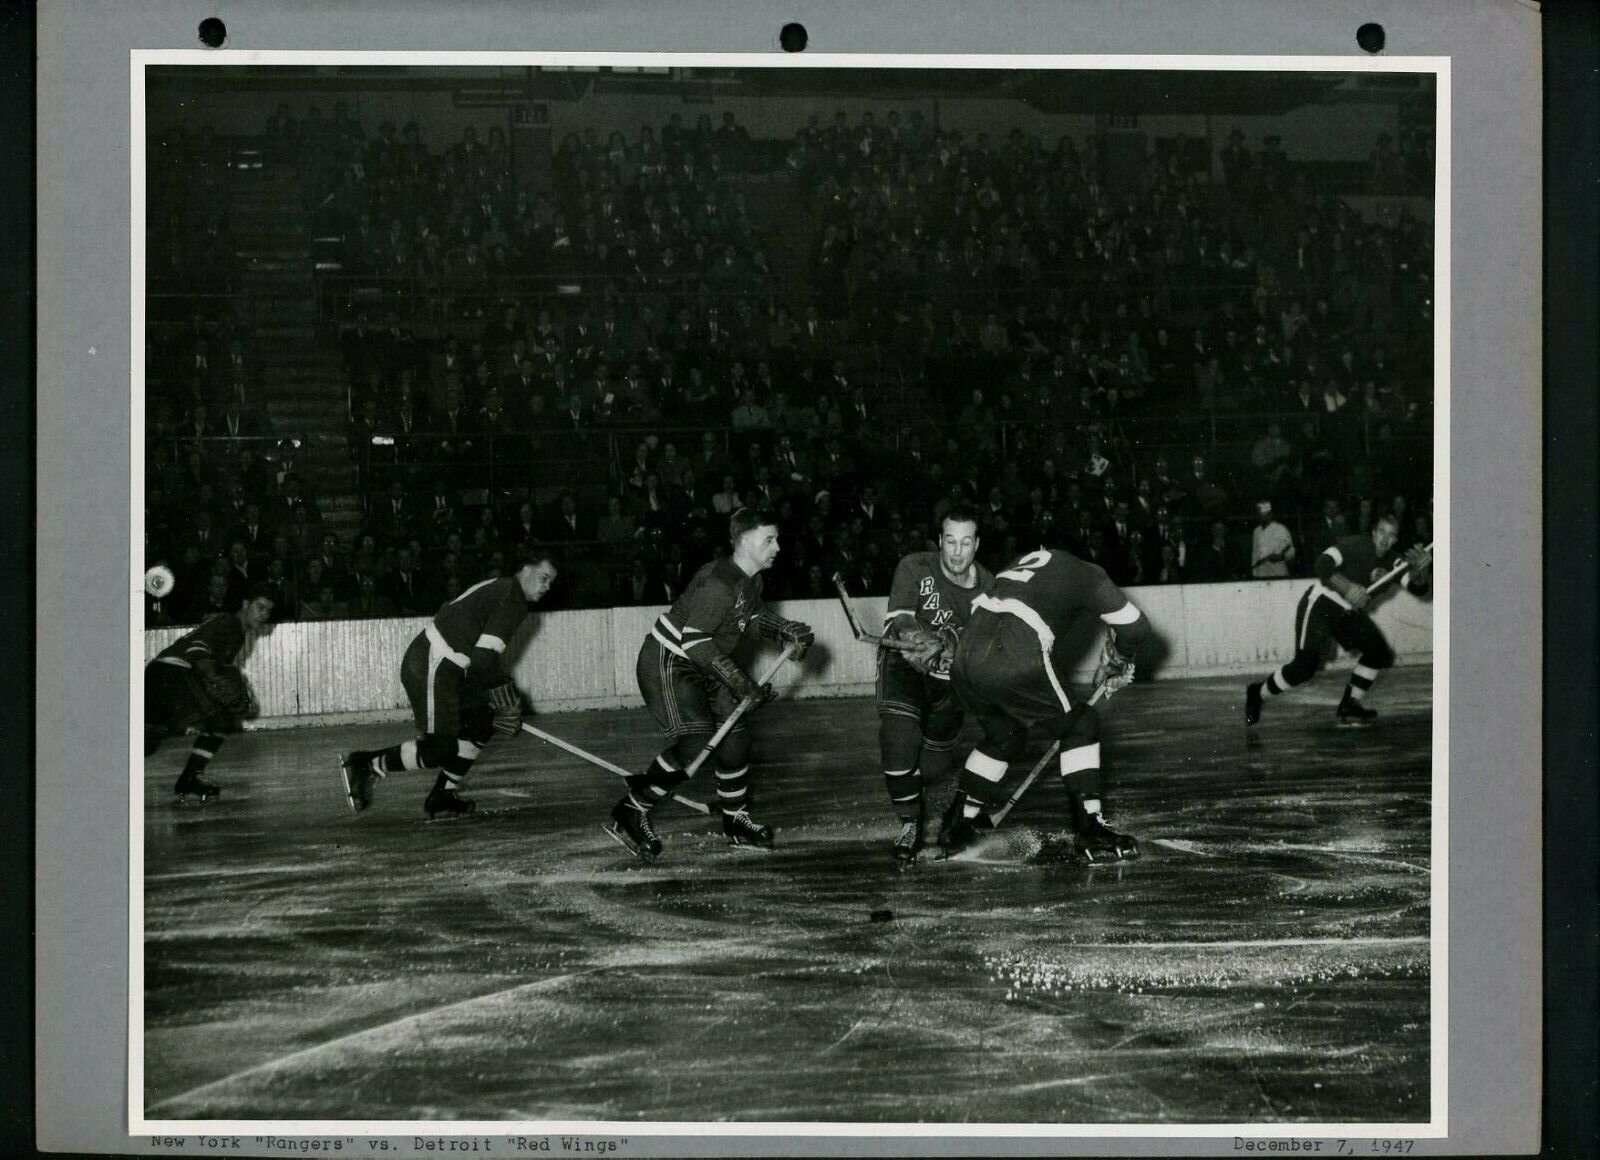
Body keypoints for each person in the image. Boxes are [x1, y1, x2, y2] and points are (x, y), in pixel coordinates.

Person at [607, 507, 814, 862]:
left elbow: (750, 618)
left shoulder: (751, 579)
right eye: (770, 539)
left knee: (736, 739)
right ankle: (631, 809)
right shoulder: (718, 582)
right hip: (671, 661)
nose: (778, 546)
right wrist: (740, 682)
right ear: (745, 541)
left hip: (707, 661)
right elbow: (695, 641)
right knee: (697, 742)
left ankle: (735, 821)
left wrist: (781, 629)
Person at [944, 546, 1154, 864]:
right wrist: (1120, 657)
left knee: (1006, 736)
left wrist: (1111, 658)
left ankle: (958, 822)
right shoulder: (1091, 574)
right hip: (1015, 650)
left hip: (965, 656)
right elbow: (1136, 627)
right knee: (1080, 724)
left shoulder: (1029, 562)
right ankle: (1090, 826)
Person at [339, 554, 558, 818]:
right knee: (439, 749)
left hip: (447, 666)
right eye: (543, 578)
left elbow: (480, 661)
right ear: (525, 568)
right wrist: (507, 694)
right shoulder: (511, 599)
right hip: (435, 663)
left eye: (550, 582)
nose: (546, 587)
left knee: (480, 723)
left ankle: (442, 795)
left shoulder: (504, 589)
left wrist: (500, 695)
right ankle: (365, 764)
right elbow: (483, 661)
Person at [875, 507, 993, 867]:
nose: (957, 552)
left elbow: (984, 645)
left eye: (966, 542)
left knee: (934, 767)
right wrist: (917, 637)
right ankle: (911, 823)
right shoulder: (914, 566)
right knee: (899, 738)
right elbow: (900, 618)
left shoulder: (989, 587)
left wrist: (952, 641)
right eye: (950, 541)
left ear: (976, 545)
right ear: (940, 541)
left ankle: (914, 795)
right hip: (904, 665)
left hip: (949, 682)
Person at [1244, 515, 1431, 728]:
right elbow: (1322, 564)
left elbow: (1419, 588)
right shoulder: (1355, 545)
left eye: (1391, 535)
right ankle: (1257, 693)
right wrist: (1347, 587)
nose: (1385, 539)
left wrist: (1422, 571)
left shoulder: (1394, 562)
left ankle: (1350, 705)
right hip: (1322, 602)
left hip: (1348, 612)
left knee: (1377, 651)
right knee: (1305, 667)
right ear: (1373, 532)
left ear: (1396, 539)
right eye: (1381, 532)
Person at [144, 588, 276, 803]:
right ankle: (189, 778)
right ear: (245, 604)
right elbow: (198, 652)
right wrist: (216, 681)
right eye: (259, 607)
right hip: (173, 673)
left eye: (268, 612)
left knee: (148, 742)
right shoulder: (229, 624)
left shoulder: (235, 630)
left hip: (158, 674)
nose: (264, 615)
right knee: (221, 721)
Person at [1249, 499, 1296, 578]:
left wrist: (1280, 557)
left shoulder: (1280, 529)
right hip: (1260, 574)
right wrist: (1254, 573)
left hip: (1278, 573)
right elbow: (1254, 555)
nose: (1259, 516)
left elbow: (1291, 552)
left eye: (1262, 514)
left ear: (1270, 514)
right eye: (1258, 514)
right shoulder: (1256, 531)